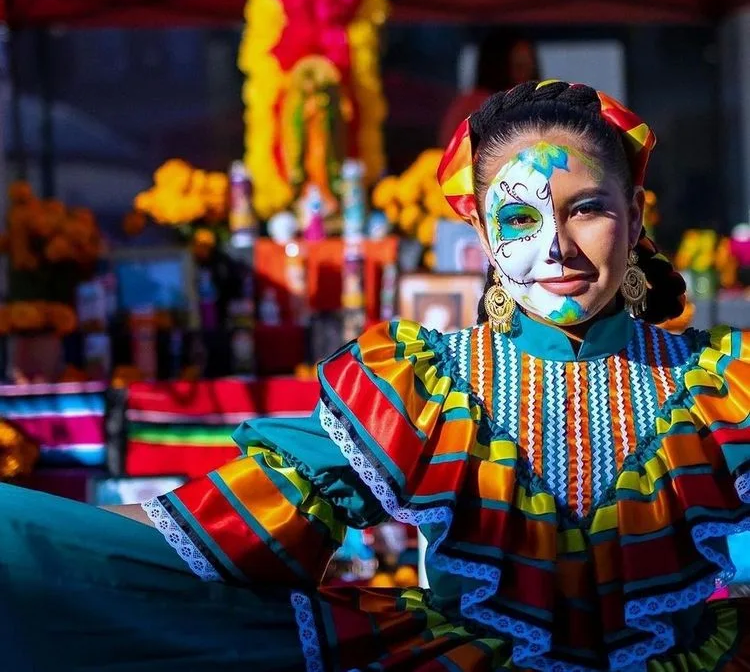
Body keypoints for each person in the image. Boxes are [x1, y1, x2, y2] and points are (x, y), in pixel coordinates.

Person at [2, 79, 750, 672]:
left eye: (587, 208)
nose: (557, 247)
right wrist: (35, 537)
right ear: (485, 237)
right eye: (521, 220)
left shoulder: (725, 382)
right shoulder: (428, 384)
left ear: (637, 210)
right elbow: (220, 531)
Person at [438, 30, 539, 147]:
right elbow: (448, 146)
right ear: (497, 65)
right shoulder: (469, 105)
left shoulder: (540, 101)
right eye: (518, 65)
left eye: (529, 65)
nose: (524, 72)